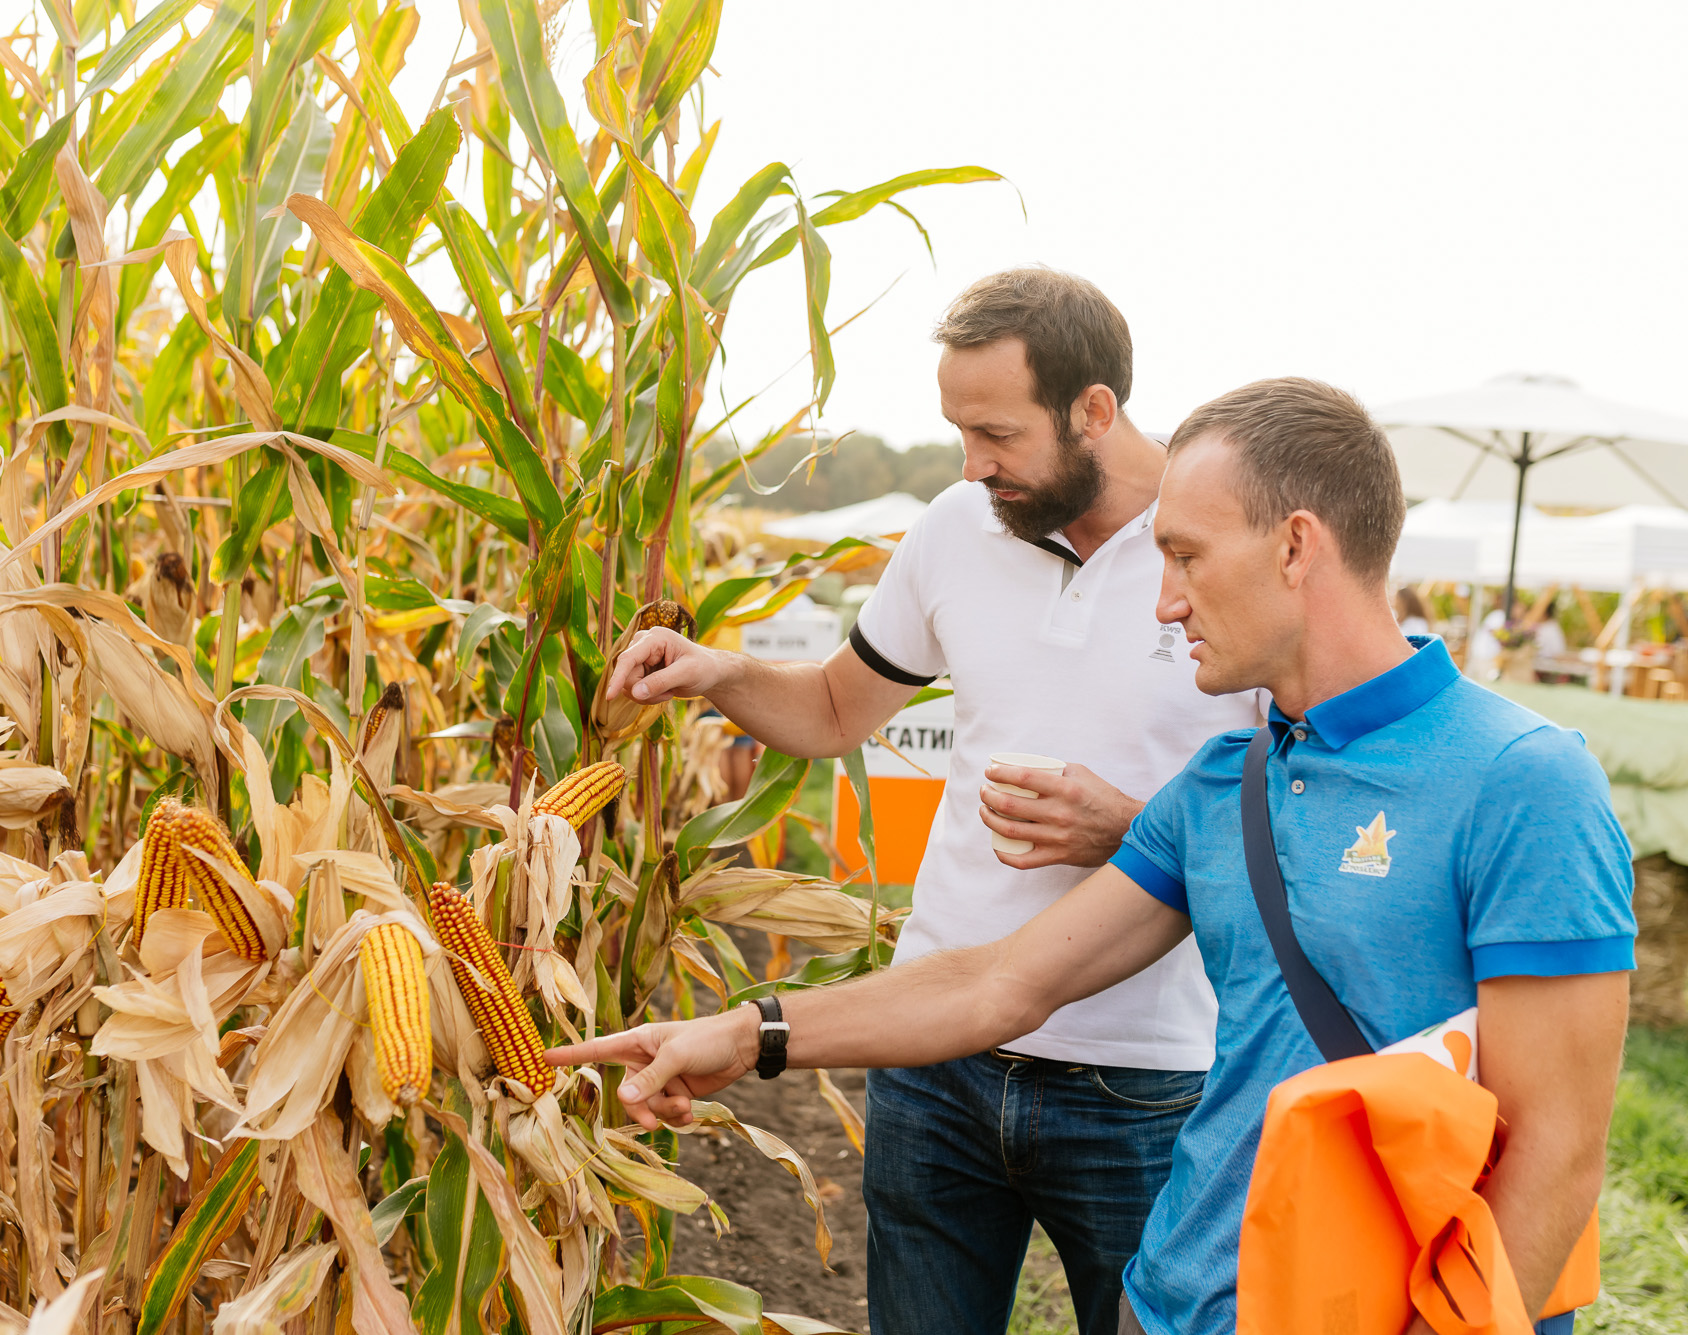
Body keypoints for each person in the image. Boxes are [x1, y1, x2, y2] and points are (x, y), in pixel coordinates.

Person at [559, 378, 1635, 1335]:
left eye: (1183, 556)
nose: (1163, 601)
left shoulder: (1522, 782)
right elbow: (998, 981)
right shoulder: (1221, 787)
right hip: (1170, 1300)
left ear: (1295, 547)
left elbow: (1553, 1159)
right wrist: (748, 1033)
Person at [597, 269, 1263, 1333]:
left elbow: (1290, 824)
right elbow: (829, 710)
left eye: (994, 432)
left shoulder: (1221, 551)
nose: (971, 464)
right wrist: (717, 672)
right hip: (931, 1060)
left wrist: (1128, 831)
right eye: (957, 431)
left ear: (1093, 410)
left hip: (1143, 1077)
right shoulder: (957, 527)